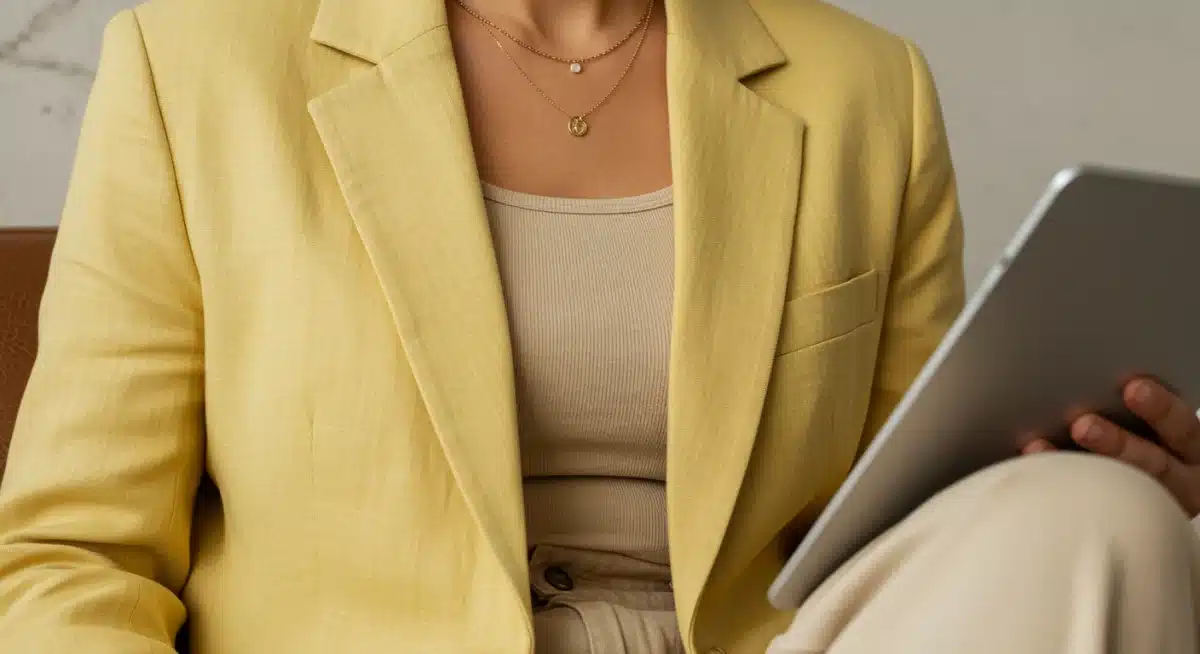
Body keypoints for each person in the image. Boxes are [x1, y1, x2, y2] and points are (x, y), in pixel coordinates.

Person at [1, 0, 1198, 652]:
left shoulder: (865, 85)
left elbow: (909, 521)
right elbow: (71, 554)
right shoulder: (195, 62)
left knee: (1098, 516)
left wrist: (1088, 480)